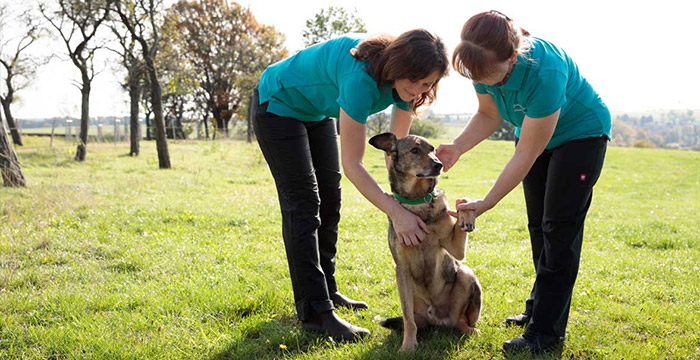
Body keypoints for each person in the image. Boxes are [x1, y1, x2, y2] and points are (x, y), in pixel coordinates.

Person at [253, 29, 449, 342]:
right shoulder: (361, 80)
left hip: (316, 111)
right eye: (416, 80)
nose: (419, 90)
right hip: (278, 103)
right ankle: (315, 311)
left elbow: (395, 155)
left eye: (428, 83)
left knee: (330, 199)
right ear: (399, 65)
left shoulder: (405, 89)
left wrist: (406, 204)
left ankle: (328, 291)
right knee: (304, 203)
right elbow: (354, 164)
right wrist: (396, 213)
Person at [437, 11, 611, 353]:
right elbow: (489, 114)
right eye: (479, 78)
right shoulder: (480, 59)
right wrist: (458, 146)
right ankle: (539, 310)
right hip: (535, 135)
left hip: (581, 137)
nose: (488, 85)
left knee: (558, 229)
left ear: (513, 59)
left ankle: (545, 333)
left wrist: (486, 202)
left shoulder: (547, 72)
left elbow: (525, 155)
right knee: (538, 227)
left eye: (495, 80)